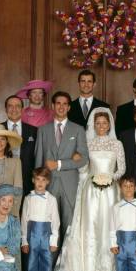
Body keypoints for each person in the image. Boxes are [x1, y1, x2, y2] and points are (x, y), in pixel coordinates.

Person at [74, 107, 125, 271]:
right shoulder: (88, 144)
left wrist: (111, 178)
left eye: (104, 123)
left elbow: (122, 168)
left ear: (109, 125)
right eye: (98, 123)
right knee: (92, 226)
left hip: (111, 190)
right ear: (93, 126)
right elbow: (84, 168)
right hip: (92, 190)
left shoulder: (117, 144)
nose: (101, 126)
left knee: (109, 225)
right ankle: (90, 269)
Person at [35, 91, 89, 237]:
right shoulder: (43, 130)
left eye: (65, 104)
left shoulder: (78, 129)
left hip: (69, 185)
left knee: (68, 227)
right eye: (58, 103)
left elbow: (84, 158)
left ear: (69, 107)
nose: (61, 107)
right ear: (53, 106)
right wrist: (38, 184)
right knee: (47, 224)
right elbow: (39, 160)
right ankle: (50, 259)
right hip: (48, 183)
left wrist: (59, 164)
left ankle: (64, 259)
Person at [21, 167, 60, 271]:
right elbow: (24, 221)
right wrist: (24, 241)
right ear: (33, 180)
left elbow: (55, 220)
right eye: (38, 179)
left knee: (46, 264)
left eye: (43, 180)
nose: (40, 182)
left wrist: (54, 240)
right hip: (31, 234)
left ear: (48, 182)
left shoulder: (52, 199)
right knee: (31, 265)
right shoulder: (28, 198)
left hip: (46, 235)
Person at [1, 95, 37, 196]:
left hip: (27, 181)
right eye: (10, 106)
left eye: (17, 106)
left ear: (22, 109)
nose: (14, 109)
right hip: (2, 181)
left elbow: (37, 157)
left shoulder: (34, 131)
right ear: (5, 109)